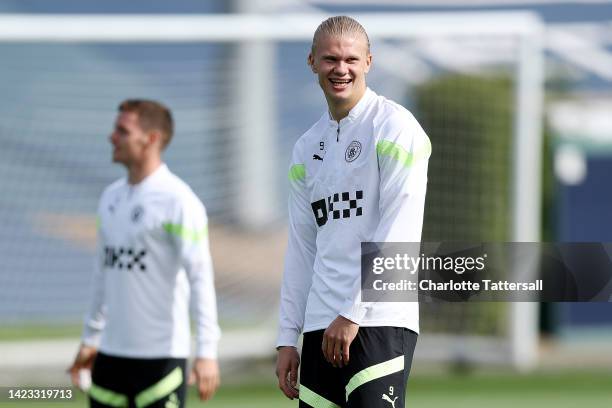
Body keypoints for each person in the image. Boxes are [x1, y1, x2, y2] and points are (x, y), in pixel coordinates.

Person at [276, 16, 431, 408]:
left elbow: (401, 225)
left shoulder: (394, 126)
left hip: (377, 319)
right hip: (318, 325)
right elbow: (302, 247)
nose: (340, 69)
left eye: (350, 59)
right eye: (330, 59)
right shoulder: (305, 148)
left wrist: (353, 311)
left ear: (368, 62)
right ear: (312, 62)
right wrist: (286, 336)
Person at [69, 99, 221, 408]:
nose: (112, 137)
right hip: (109, 357)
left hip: (161, 360)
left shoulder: (179, 200)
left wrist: (207, 352)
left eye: (122, 131)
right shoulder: (110, 197)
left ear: (151, 139)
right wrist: (90, 338)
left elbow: (200, 277)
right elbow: (103, 273)